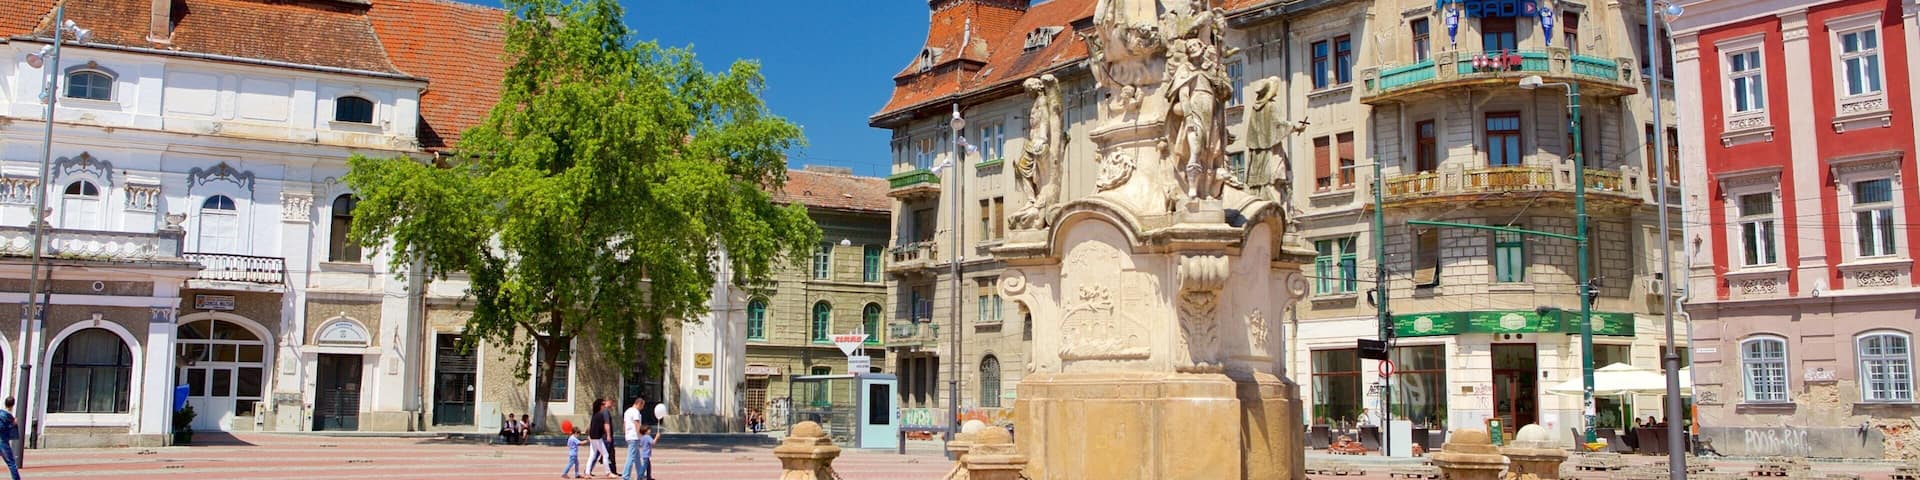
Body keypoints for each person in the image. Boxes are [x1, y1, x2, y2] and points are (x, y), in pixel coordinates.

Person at [587, 399, 613, 477]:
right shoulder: (600, 415)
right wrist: (608, 435)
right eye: (603, 404)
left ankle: (587, 472)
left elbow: (591, 426)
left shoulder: (595, 414)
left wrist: (589, 434)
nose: (604, 406)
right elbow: (604, 425)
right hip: (597, 438)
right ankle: (608, 472)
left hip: (593, 437)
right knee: (605, 454)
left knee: (592, 455)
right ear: (600, 405)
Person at [0, 397, 19, 480]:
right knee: (11, 463)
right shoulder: (7, 416)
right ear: (13, 405)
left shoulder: (1, 413)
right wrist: (13, 424)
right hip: (3, 441)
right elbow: (3, 427)